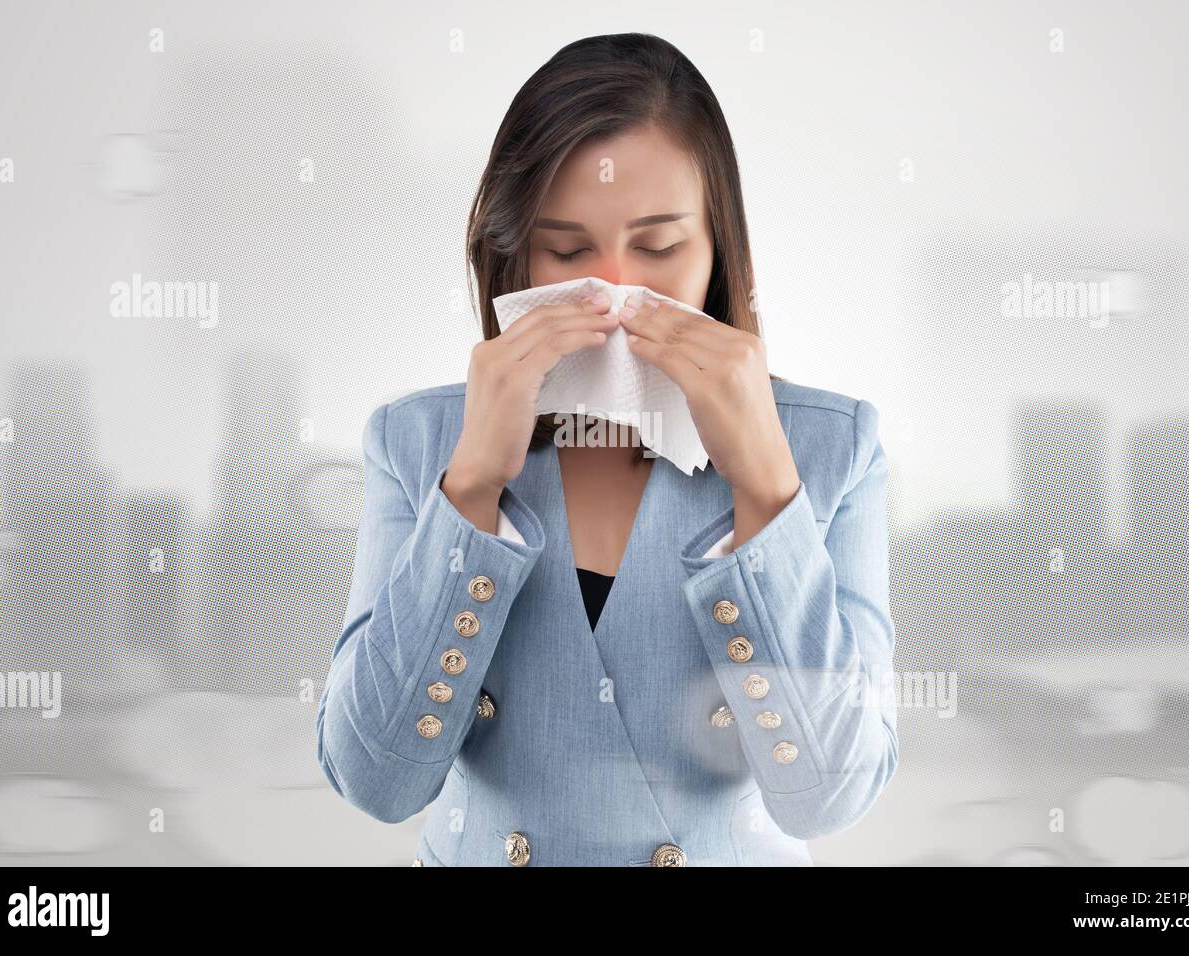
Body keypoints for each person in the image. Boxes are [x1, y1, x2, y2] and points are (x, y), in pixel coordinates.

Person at [317, 32, 898, 867]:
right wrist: (472, 485)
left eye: (658, 249)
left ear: (718, 250)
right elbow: (375, 781)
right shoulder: (416, 443)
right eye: (567, 250)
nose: (617, 295)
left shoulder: (830, 443)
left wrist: (769, 488)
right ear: (514, 257)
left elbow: (831, 795)